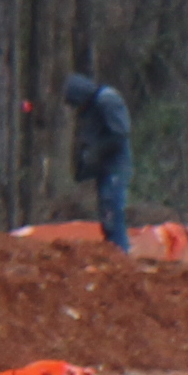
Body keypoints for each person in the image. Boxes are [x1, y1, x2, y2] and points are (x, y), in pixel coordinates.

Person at [70, 69, 135, 252]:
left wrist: (93, 154)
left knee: (112, 214)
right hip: (106, 168)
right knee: (107, 216)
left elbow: (119, 136)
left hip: (115, 168)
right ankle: (115, 252)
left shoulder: (107, 100)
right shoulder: (96, 105)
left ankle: (120, 254)